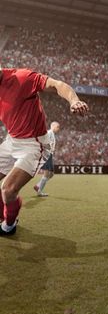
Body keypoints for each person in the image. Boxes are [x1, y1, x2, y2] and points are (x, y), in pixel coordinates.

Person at [0, 66, 88, 235]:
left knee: (8, 189)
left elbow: (57, 85)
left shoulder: (22, 78)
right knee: (7, 193)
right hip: (12, 140)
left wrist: (74, 100)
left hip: (35, 144)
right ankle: (3, 215)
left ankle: (9, 226)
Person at [33, 121, 60, 197]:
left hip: (49, 155)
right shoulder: (49, 133)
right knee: (47, 173)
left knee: (51, 174)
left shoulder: (52, 134)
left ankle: (38, 185)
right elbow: (42, 142)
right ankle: (39, 191)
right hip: (46, 154)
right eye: (57, 127)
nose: (58, 129)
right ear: (53, 126)